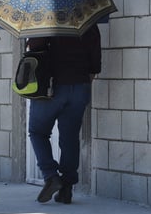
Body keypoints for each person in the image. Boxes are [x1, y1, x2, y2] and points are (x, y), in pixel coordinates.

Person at [27, 24, 101, 204]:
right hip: (80, 86)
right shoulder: (88, 22)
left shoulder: (45, 21)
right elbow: (95, 63)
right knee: (69, 137)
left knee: (38, 132)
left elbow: (35, 48)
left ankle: (51, 176)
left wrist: (31, 38)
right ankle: (67, 188)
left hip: (51, 87)